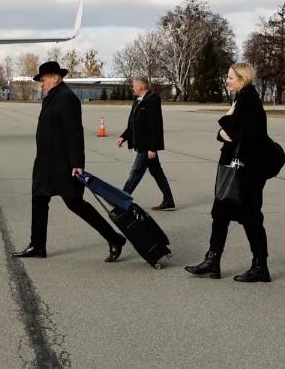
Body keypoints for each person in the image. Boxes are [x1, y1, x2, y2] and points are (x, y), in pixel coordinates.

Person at [12, 61, 126, 262]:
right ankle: (37, 246)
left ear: (56, 77)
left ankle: (115, 238)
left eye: (44, 79)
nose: (42, 83)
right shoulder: (52, 97)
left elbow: (75, 133)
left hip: (63, 164)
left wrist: (77, 163)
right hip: (45, 163)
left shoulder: (66, 98)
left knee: (76, 204)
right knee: (38, 199)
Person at [185, 62, 272, 282]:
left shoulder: (248, 100)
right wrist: (224, 129)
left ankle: (260, 266)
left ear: (242, 79)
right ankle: (213, 261)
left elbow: (242, 134)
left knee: (251, 218)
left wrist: (226, 120)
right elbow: (226, 133)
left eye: (231, 77)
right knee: (221, 214)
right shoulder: (241, 99)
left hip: (246, 173)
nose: (228, 80)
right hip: (236, 170)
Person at [117, 77, 176, 210]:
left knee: (135, 173)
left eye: (133, 86)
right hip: (143, 145)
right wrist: (124, 136)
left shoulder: (151, 102)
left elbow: (155, 127)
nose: (132, 88)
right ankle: (169, 201)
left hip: (146, 146)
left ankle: (120, 199)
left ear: (141, 87)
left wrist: (152, 148)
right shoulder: (138, 101)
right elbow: (134, 123)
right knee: (157, 173)